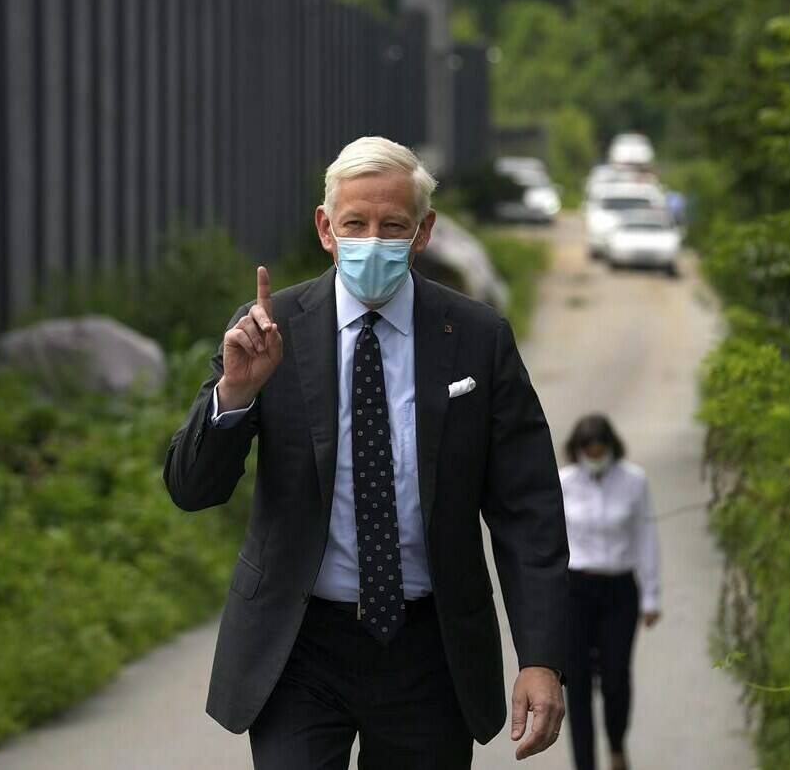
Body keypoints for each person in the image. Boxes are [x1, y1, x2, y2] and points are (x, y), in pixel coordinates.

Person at [163, 136, 569, 769]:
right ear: (327, 228)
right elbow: (192, 489)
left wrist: (540, 657)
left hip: (429, 652)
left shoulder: (476, 339)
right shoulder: (271, 330)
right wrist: (235, 393)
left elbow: (529, 508)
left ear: (424, 231)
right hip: (299, 647)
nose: (373, 240)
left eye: (393, 225)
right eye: (356, 223)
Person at [558, 415, 662, 770]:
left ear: (612, 447)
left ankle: (617, 744)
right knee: (578, 685)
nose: (595, 455)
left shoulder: (633, 480)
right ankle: (584, 763)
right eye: (589, 450)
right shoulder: (564, 483)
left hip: (619, 590)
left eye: (601, 449)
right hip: (576, 591)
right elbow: (550, 544)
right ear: (578, 450)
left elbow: (646, 536)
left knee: (616, 678)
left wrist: (651, 596)